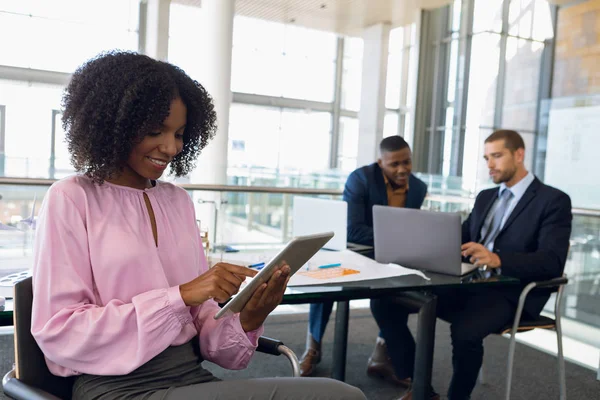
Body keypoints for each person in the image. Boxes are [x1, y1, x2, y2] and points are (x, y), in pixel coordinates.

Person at [30, 51, 366, 400]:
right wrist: (181, 295)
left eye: (179, 133)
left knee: (340, 394)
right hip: (116, 387)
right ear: (117, 124)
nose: (171, 147)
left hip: (190, 378)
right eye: (155, 131)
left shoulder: (178, 201)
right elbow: (61, 332)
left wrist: (250, 315)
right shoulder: (72, 198)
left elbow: (207, 337)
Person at [371, 130, 572, 400]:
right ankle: (420, 387)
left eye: (497, 156)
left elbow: (552, 261)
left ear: (519, 155)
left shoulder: (552, 201)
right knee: (385, 301)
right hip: (470, 284)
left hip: (512, 292)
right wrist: (425, 242)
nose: (490, 164)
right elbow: (461, 238)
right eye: (487, 157)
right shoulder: (486, 197)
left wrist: (497, 259)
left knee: (465, 331)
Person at [299, 136, 428, 381]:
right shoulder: (361, 179)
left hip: (390, 254)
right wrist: (397, 234)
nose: (402, 169)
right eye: (395, 164)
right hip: (353, 250)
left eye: (407, 162)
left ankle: (383, 351)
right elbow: (352, 228)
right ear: (381, 162)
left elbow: (412, 225)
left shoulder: (419, 188)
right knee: (325, 276)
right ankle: (313, 347)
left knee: (406, 282)